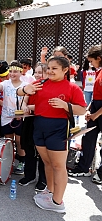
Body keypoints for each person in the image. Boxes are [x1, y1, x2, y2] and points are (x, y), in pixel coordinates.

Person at [20, 56, 86, 213]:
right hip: (39, 128)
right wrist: (24, 92)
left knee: (58, 166)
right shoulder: (40, 84)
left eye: (54, 68)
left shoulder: (72, 88)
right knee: (47, 163)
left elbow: (82, 110)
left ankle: (58, 202)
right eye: (48, 68)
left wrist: (65, 105)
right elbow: (22, 93)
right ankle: (49, 192)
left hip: (59, 129)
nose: (50, 71)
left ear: (65, 70)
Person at [68, 45, 102, 183]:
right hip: (95, 106)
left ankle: (100, 173)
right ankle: (83, 167)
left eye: (92, 61)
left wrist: (96, 114)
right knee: (88, 138)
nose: (91, 64)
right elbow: (95, 95)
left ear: (99, 58)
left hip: (100, 110)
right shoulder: (98, 71)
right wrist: (89, 109)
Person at [0, 62, 28, 175]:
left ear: (21, 72)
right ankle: (10, 161)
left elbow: (27, 100)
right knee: (9, 141)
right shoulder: (5, 83)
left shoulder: (25, 85)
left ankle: (22, 162)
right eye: (10, 71)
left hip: (20, 117)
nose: (12, 74)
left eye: (15, 71)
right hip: (6, 116)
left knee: (19, 141)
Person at [18, 62, 47, 192]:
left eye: (40, 72)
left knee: (42, 152)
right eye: (36, 72)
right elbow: (25, 98)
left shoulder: (49, 87)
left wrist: (31, 107)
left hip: (43, 121)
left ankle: (43, 179)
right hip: (29, 120)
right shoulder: (33, 85)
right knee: (29, 148)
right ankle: (29, 175)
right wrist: (24, 106)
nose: (37, 75)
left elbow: (47, 104)